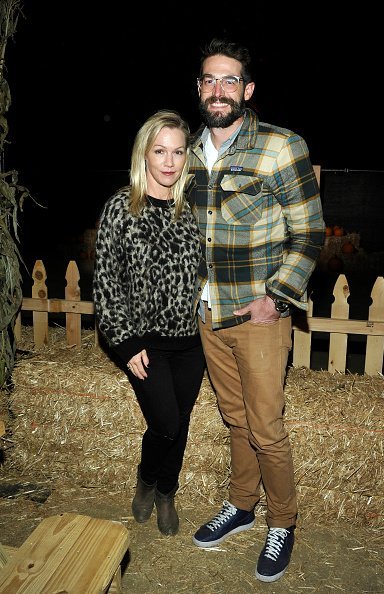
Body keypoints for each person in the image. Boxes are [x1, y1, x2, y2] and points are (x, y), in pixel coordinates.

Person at [186, 38, 325, 582]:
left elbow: (309, 232)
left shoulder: (280, 147)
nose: (218, 90)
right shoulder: (188, 150)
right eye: (208, 80)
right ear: (199, 88)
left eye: (229, 80)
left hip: (259, 316)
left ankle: (282, 521)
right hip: (207, 314)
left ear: (246, 90)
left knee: (266, 426)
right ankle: (241, 505)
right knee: (234, 417)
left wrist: (278, 297)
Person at [93, 109, 205, 536]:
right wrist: (125, 343)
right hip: (146, 344)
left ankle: (166, 493)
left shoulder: (189, 214)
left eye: (178, 152)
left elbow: (201, 277)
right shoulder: (121, 208)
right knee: (166, 423)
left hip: (190, 344)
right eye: (160, 150)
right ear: (144, 154)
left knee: (182, 423)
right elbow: (105, 283)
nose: (169, 161)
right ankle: (146, 479)